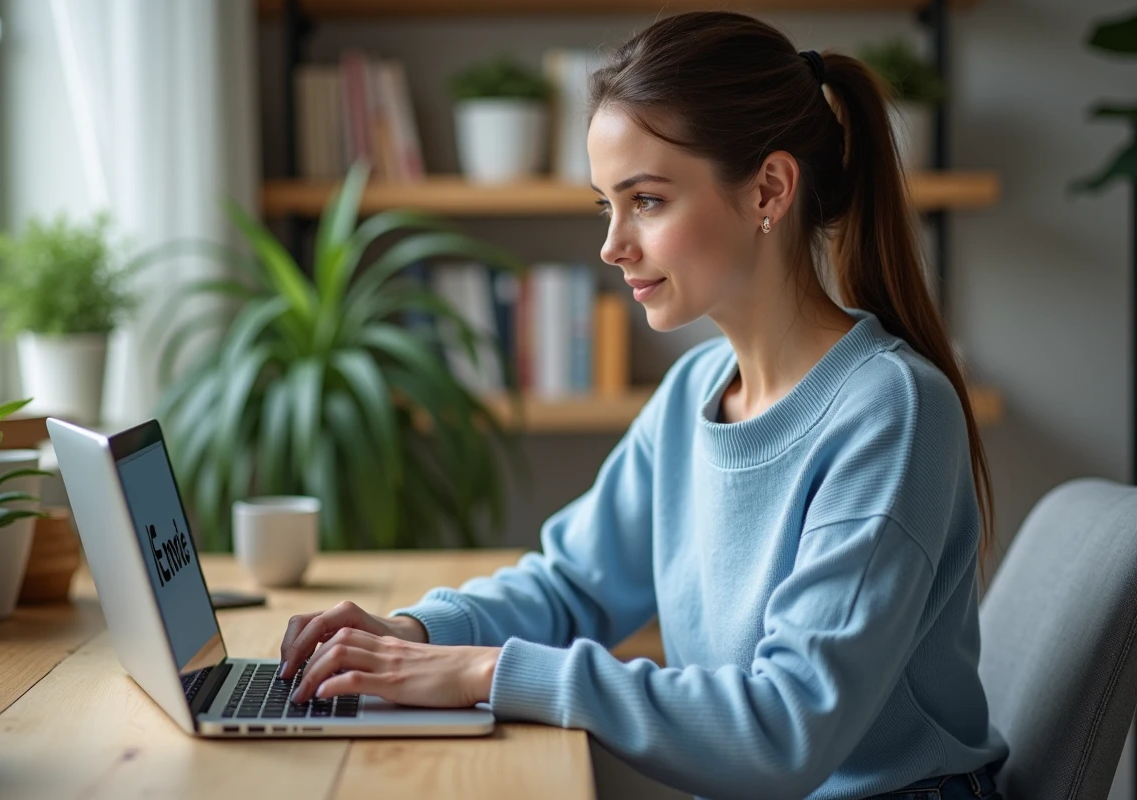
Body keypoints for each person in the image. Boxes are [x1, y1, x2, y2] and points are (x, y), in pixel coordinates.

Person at [276, 10, 1009, 800]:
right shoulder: (696, 391)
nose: (612, 244)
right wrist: (412, 634)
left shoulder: (890, 413)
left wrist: (482, 672)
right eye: (606, 205)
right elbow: (574, 587)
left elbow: (785, 729)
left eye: (648, 201)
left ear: (769, 189)